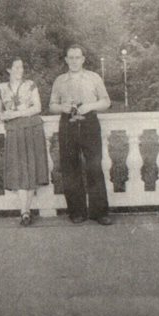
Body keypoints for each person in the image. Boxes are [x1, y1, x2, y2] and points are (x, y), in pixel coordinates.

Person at [49, 44, 112, 225]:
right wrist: (63, 107)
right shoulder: (59, 80)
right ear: (66, 60)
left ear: (83, 59)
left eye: (78, 57)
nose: (74, 61)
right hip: (67, 124)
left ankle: (99, 212)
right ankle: (76, 212)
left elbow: (106, 101)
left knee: (94, 166)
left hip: (89, 123)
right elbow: (51, 105)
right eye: (71, 58)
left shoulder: (94, 77)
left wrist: (90, 106)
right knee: (70, 167)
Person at [0, 58, 50, 225]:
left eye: (22, 67)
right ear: (8, 69)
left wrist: (15, 114)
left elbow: (37, 107)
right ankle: (23, 211)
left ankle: (27, 211)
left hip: (32, 127)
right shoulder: (1, 88)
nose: (20, 70)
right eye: (16, 67)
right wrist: (2, 116)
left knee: (31, 167)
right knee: (18, 168)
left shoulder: (30, 84)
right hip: (13, 131)